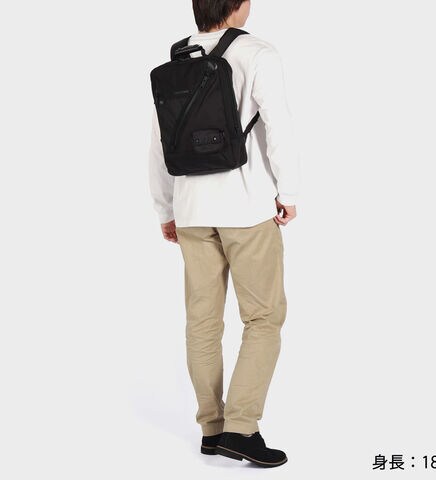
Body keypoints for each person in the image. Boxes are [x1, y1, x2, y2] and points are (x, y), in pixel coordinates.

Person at [148, 0, 300, 468]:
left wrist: (166, 208)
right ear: (237, 4)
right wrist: (289, 192)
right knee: (263, 318)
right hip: (246, 207)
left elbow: (159, 143)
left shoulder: (177, 60)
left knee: (202, 322)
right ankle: (241, 429)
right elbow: (278, 127)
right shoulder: (258, 54)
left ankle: (212, 430)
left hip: (192, 210)